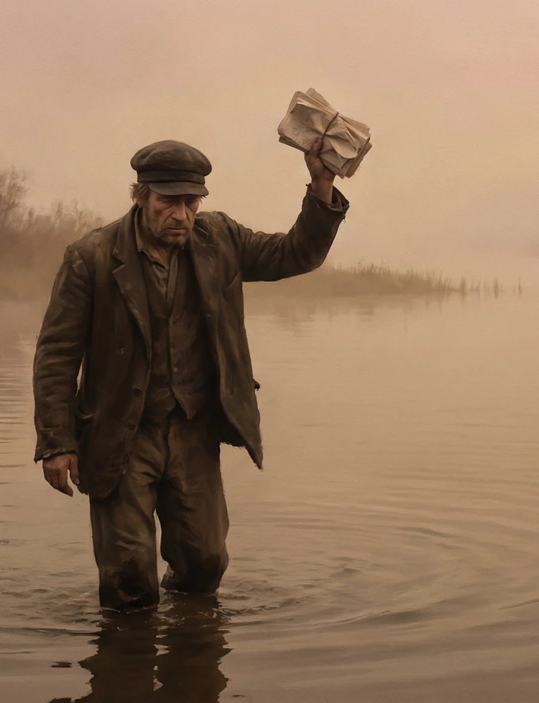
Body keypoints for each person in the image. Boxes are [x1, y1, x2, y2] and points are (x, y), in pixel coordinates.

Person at [32, 137, 348, 611]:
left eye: (190, 202)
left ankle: (190, 656)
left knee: (205, 563)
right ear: (141, 196)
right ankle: (125, 667)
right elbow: (56, 354)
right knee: (129, 580)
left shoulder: (220, 239)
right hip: (121, 433)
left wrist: (322, 183)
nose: (180, 214)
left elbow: (294, 254)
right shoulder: (91, 257)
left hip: (193, 429)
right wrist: (57, 443)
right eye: (168, 202)